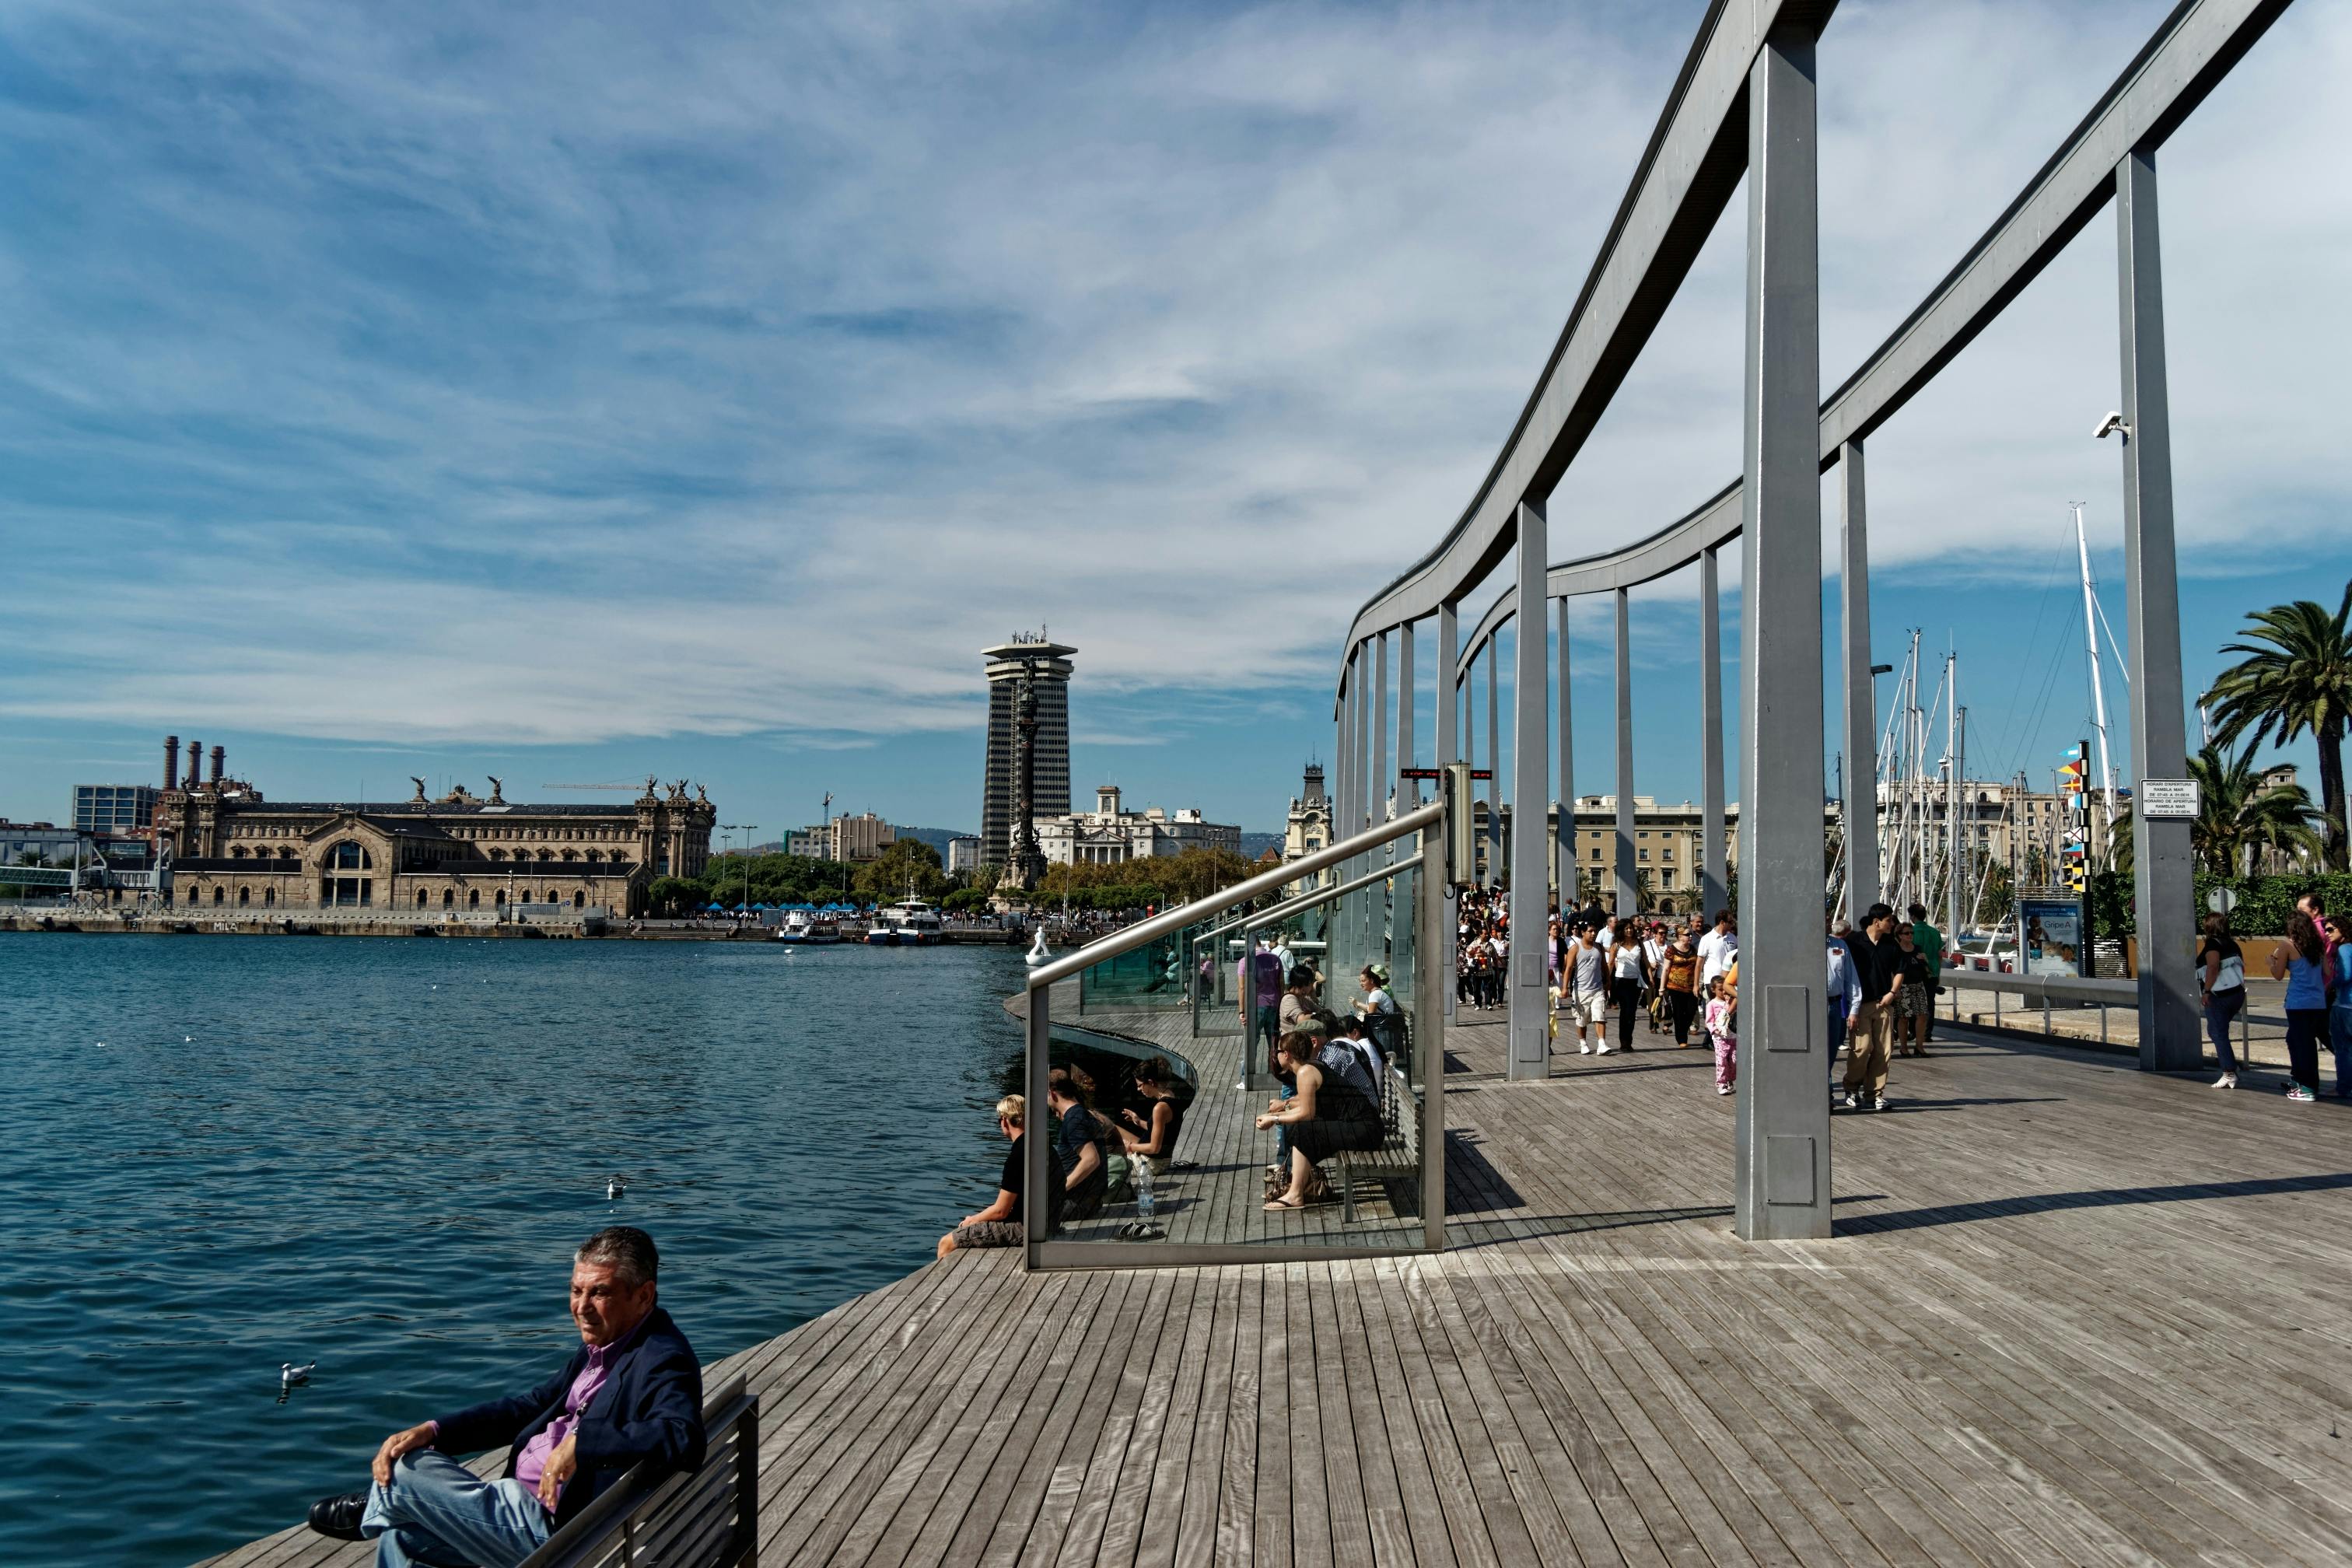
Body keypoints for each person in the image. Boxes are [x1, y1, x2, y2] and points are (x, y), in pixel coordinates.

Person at [305, 1227, 705, 1566]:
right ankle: (385, 1506)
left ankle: (374, 1509)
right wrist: (434, 1430)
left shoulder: (662, 1357)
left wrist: (584, 1443)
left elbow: (683, 1438)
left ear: (644, 1295)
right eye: (576, 1290)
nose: (581, 1307)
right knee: (403, 1536)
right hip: (527, 1509)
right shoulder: (606, 1344)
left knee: (407, 1474)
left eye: (599, 1292)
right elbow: (528, 1407)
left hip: (564, 1537)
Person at [1257, 1032, 1383, 1210]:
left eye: (1278, 1051)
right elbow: (1303, 1102)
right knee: (1299, 1129)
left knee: (1304, 1129)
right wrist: (1281, 1110)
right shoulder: (1311, 1068)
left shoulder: (1305, 1072)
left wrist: (1275, 1118)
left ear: (1287, 1054)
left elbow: (1307, 1113)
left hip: (1366, 1129)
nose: (1276, 1056)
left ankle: (1296, 1194)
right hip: (1359, 1126)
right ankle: (1300, 1186)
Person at [938, 1094, 1066, 1257]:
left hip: (1026, 1229)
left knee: (947, 1242)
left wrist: (972, 1220)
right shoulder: (1043, 1144)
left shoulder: (1019, 1155)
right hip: (1050, 1225)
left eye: (999, 1120)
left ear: (1005, 1120)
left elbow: (1001, 1211)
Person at [1843, 902, 1901, 1111]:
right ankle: (1851, 1088)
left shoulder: (1891, 944)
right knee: (1862, 1047)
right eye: (1889, 920)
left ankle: (1875, 1094)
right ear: (1877, 921)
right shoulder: (1853, 941)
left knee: (1884, 1050)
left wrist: (1892, 993)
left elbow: (1900, 970)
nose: (1892, 923)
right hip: (1859, 1005)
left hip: (1884, 1004)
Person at [2271, 912, 2330, 1104]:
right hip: (2317, 1002)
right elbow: (2327, 972)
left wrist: (2271, 963)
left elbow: (2278, 975)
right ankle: (2298, 1080)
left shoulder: (2287, 945)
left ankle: (2307, 1087)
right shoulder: (2318, 946)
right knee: (2297, 1040)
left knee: (2303, 1045)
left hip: (2298, 1002)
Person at [1048, 1068, 1109, 1221]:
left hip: (1077, 1204)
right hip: (1088, 1201)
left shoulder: (1074, 1120)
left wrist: (1061, 1190)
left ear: (1052, 1093)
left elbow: (1091, 1160)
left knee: (1025, 1213)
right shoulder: (1081, 1114)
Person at [2197, 911, 2249, 1089]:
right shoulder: (2233, 944)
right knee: (2217, 1031)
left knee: (2218, 1033)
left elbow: (2213, 966)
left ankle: (2229, 1073)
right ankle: (2232, 1067)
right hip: (2237, 993)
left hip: (2219, 995)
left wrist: (2206, 990)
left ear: (2209, 927)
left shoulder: (2213, 943)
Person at [1117, 1055, 1187, 1167]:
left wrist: (1129, 1147)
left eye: (1140, 1085)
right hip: (1158, 1160)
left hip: (1150, 1163)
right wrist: (1139, 1121)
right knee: (1112, 1128)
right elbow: (1163, 1131)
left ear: (1150, 1082)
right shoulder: (1172, 1098)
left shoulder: (1160, 1108)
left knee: (1107, 1132)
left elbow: (1154, 1148)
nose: (1138, 1089)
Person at [1564, 920, 1611, 1055]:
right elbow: (1568, 969)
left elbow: (1604, 966)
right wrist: (1565, 988)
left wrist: (1608, 980)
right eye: (1590, 931)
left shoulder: (1599, 948)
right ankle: (1583, 1042)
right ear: (1583, 932)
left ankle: (1602, 1044)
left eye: (1595, 931)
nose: (1593, 934)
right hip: (1581, 991)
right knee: (1582, 1020)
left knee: (1600, 1015)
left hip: (1597, 989)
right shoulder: (1575, 948)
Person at [1826, 919, 1862, 1096]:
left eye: (1826, 919)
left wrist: (1854, 1009)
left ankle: (1825, 1090)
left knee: (1831, 1052)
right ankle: (1827, 1093)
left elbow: (1851, 978)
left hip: (1833, 1004)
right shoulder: (1800, 944)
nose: (1825, 922)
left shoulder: (1840, 945)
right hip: (1808, 1005)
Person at [1891, 922, 1933, 1059]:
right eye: (1907, 933)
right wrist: (1894, 989)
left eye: (1911, 933)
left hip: (1918, 986)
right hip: (1903, 987)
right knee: (1904, 1018)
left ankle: (1919, 1046)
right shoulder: (1896, 950)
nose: (1910, 935)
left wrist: (1925, 960)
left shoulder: (1918, 949)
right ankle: (1904, 1048)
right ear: (1899, 935)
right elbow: (1893, 971)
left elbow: (1927, 969)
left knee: (1922, 1015)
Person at [1238, 937, 1284, 1059]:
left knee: (1252, 1041)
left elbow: (1242, 988)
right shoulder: (1276, 959)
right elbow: (1281, 984)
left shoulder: (1245, 961)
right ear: (1261, 943)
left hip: (1255, 1005)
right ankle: (1274, 1070)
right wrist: (1280, 1004)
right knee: (1274, 1041)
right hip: (1274, 1004)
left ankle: (1246, 1074)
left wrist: (1242, 1012)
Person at [1608, 915, 1649, 1054]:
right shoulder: (1616, 944)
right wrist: (1607, 981)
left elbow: (1646, 961)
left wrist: (1650, 977)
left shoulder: (1639, 942)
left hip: (1636, 981)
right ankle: (1624, 1042)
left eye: (1631, 928)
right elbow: (1610, 963)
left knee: (1632, 1012)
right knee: (1625, 1010)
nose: (1629, 930)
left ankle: (1628, 1041)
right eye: (1626, 928)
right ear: (1621, 930)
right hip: (1621, 980)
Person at [1907, 902, 1944, 1048]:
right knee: (1930, 1003)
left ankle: (1914, 1032)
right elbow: (1940, 955)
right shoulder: (1935, 932)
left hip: (1915, 972)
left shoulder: (1910, 932)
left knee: (1913, 1001)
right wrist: (1938, 972)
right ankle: (1927, 1033)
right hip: (1932, 971)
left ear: (1913, 916)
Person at [1657, 927, 1701, 1046]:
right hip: (1674, 987)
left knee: (1691, 1011)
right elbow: (1666, 969)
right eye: (1688, 935)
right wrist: (1662, 988)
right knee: (1678, 1013)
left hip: (1690, 986)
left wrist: (1697, 984)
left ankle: (1683, 1030)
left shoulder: (1693, 949)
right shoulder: (1671, 949)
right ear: (1680, 936)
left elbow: (1698, 967)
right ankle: (1682, 1039)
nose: (1690, 937)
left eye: (1691, 935)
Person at [2328, 914, 2352, 1101]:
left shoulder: (2344, 949)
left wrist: (2328, 984)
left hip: (2344, 1005)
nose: (2327, 934)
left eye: (2331, 930)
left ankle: (2342, 1087)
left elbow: (2346, 975)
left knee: (2342, 1049)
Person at [1703, 975, 1737, 1095]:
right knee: (1722, 1060)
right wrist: (1714, 1030)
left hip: (1732, 1036)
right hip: (1719, 1038)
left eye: (1725, 989)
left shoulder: (1732, 1001)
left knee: (1734, 1061)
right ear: (1713, 990)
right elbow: (1709, 1020)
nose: (1723, 992)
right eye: (1720, 989)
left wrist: (1729, 1001)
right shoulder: (1712, 1004)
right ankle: (1721, 1083)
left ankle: (1730, 1079)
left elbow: (1733, 1014)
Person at [1697, 909, 1738, 993]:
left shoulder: (1733, 937)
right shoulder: (1707, 939)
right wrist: (1696, 985)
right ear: (1722, 922)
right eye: (1730, 922)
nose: (1732, 924)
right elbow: (1699, 964)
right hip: (1713, 982)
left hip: (1730, 981)